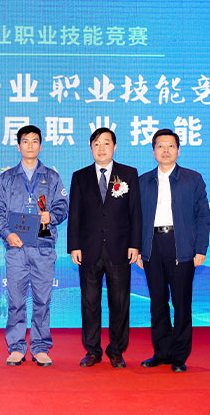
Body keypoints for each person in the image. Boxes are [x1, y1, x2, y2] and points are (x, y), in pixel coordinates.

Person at [0, 125, 68, 367]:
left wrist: (51, 216)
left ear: (40, 146)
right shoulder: (6, 178)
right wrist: (8, 234)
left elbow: (63, 206)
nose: (30, 145)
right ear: (18, 146)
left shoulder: (52, 177)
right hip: (16, 248)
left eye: (35, 141)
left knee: (43, 300)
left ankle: (40, 347)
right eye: (25, 141)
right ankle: (16, 347)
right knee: (16, 300)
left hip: (43, 248)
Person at [67, 127, 142, 369]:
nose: (101, 148)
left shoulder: (128, 174)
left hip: (120, 249)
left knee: (119, 303)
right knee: (90, 303)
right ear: (91, 148)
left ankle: (117, 350)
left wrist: (135, 245)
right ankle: (92, 350)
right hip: (88, 250)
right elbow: (74, 214)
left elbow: (135, 213)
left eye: (106, 143)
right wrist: (74, 246)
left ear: (115, 147)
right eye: (97, 144)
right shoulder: (80, 176)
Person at [138, 128, 210, 373]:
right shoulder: (143, 182)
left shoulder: (193, 179)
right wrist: (139, 249)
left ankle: (179, 356)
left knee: (181, 303)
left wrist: (200, 248)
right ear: (153, 152)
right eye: (160, 146)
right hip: (152, 245)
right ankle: (161, 353)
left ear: (178, 150)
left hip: (182, 246)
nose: (166, 150)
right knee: (157, 303)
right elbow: (135, 219)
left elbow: (204, 217)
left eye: (170, 146)